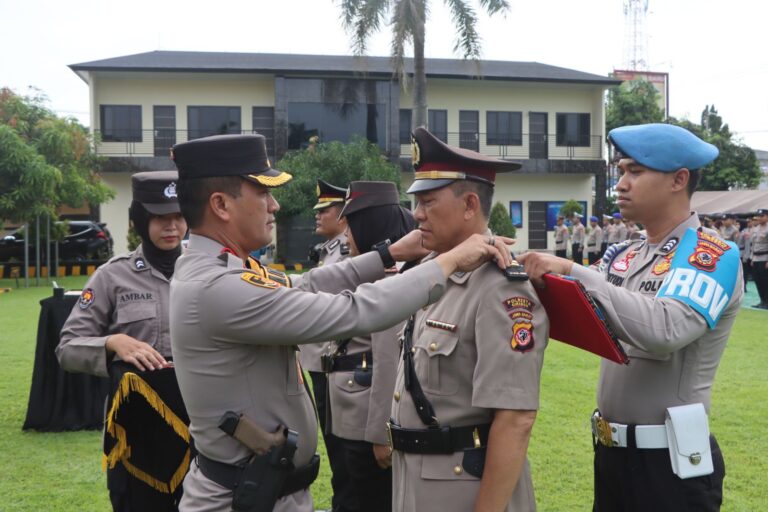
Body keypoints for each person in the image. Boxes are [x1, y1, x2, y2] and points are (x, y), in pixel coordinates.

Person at [167, 133, 514, 512]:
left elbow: (306, 283)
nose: (274, 205)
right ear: (220, 205)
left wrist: (387, 253)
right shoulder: (217, 287)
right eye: (263, 194)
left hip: (262, 488)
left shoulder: (223, 271)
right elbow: (351, 311)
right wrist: (446, 262)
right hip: (242, 497)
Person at [518, 123, 743, 511]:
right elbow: (587, 320)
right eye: (621, 171)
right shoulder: (624, 255)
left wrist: (574, 272)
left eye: (635, 172)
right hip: (612, 457)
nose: (621, 183)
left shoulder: (712, 255)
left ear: (679, 179)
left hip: (669, 466)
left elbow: (664, 329)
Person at [389, 127, 549, 512]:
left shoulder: (499, 287)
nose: (417, 214)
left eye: (428, 202)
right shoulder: (430, 274)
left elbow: (516, 419)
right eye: (416, 202)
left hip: (464, 486)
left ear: (469, 205)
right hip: (416, 479)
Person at [57, 170, 190, 511]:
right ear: (139, 222)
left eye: (178, 216)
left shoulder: (206, 271)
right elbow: (68, 348)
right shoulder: (112, 276)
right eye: (160, 218)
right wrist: (112, 342)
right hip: (135, 432)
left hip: (200, 423)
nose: (171, 226)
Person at [326, 181, 417, 512]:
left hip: (367, 424)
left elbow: (387, 359)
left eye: (353, 227)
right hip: (353, 413)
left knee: (360, 500)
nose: (347, 237)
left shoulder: (388, 278)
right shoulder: (379, 270)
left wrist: (382, 434)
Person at [300, 178, 353, 511]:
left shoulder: (348, 249)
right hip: (320, 360)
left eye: (326, 209)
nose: (318, 215)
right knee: (334, 446)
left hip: (336, 361)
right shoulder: (330, 250)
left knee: (343, 449)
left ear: (344, 214)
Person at [751, 208, 768, 308]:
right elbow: (753, 244)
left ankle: (767, 302)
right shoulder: (756, 228)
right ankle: (762, 301)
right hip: (756, 258)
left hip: (765, 258)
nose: (760, 218)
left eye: (762, 216)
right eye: (759, 216)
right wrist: (752, 258)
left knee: (765, 281)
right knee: (758, 281)